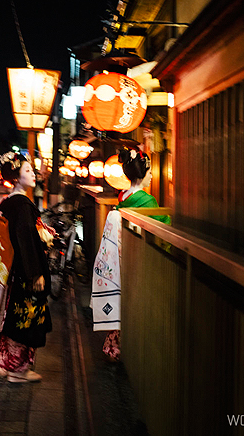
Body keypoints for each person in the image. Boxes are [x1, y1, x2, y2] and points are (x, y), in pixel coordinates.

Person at [0, 153, 53, 383]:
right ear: (16, 176)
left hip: (19, 271)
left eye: (32, 170)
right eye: (27, 171)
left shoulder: (15, 201)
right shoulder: (21, 205)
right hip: (26, 272)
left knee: (22, 319)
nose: (33, 174)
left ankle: (17, 368)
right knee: (24, 321)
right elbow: (25, 240)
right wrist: (35, 274)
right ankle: (9, 363)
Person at [94, 148, 169, 362]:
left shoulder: (123, 196)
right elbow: (163, 229)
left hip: (121, 256)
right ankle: (124, 350)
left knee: (123, 301)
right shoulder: (147, 202)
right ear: (142, 174)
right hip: (141, 257)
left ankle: (113, 345)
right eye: (150, 171)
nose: (152, 175)